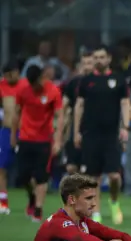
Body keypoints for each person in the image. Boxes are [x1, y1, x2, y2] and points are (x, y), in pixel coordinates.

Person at [74, 45, 129, 224]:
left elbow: (125, 103)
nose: (98, 60)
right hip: (91, 134)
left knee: (114, 176)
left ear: (109, 59)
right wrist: (76, 131)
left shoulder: (118, 80)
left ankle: (114, 202)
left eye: (102, 57)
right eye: (96, 57)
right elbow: (79, 106)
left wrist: (125, 127)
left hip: (111, 135)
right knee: (92, 177)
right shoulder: (86, 81)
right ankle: (95, 212)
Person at [11, 65, 64, 222]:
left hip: (44, 140)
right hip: (26, 138)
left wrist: (58, 140)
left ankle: (38, 210)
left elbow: (59, 116)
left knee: (41, 177)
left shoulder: (53, 91)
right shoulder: (23, 90)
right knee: (23, 176)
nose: (36, 86)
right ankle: (32, 198)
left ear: (42, 77)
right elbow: (16, 112)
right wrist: (13, 136)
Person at [0, 61, 27, 214]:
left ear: (18, 72)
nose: (9, 77)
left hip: (24, 131)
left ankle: (33, 202)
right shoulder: (1, 86)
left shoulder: (26, 86)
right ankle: (3, 203)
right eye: (6, 75)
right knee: (1, 168)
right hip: (6, 130)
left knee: (27, 170)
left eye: (12, 73)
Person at [62, 52, 94, 175]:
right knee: (71, 167)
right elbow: (64, 104)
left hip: (92, 129)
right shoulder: (73, 83)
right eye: (84, 63)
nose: (86, 67)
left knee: (88, 168)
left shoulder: (99, 83)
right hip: (74, 127)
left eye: (89, 63)